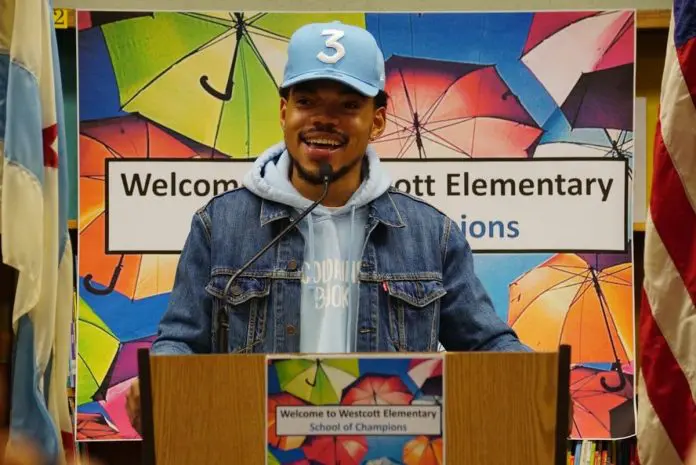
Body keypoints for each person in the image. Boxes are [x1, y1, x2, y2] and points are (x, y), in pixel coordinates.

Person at [126, 20, 533, 431]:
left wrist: (537, 382)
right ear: (284, 112)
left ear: (377, 120)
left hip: (383, 450)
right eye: (306, 102)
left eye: (348, 106)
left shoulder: (431, 234)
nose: (324, 119)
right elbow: (182, 342)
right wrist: (159, 378)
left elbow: (487, 344)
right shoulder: (219, 225)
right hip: (254, 446)